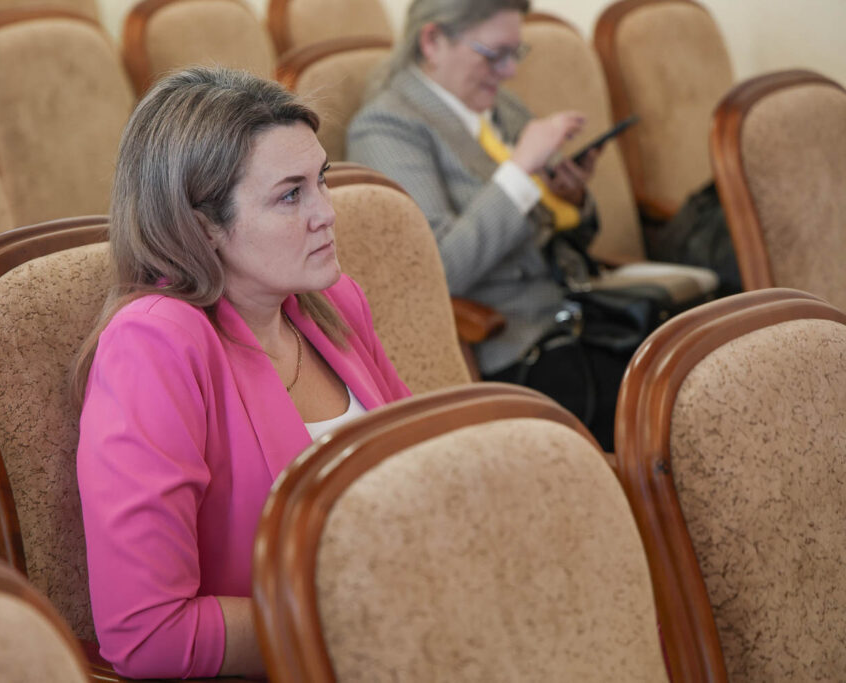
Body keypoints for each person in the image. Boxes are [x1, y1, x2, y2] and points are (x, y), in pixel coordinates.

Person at [73, 67, 410, 680]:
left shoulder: (334, 304)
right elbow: (149, 634)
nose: (327, 213)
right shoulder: (154, 344)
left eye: (321, 180)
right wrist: (358, 618)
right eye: (291, 195)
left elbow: (425, 467)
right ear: (202, 227)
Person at [346, 0, 634, 449]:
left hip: (582, 312)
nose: (508, 72)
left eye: (514, 53)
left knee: (694, 362)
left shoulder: (503, 108)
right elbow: (437, 270)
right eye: (493, 54)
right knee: (665, 406)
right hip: (514, 345)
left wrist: (570, 198)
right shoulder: (388, 128)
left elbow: (574, 236)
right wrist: (519, 173)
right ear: (433, 41)